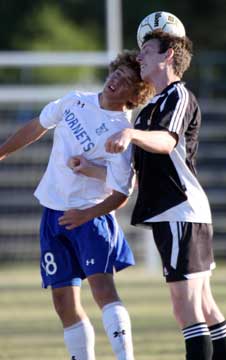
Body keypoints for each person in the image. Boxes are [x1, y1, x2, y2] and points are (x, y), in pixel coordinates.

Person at [0, 50, 153, 360]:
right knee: (62, 301)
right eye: (116, 73)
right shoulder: (74, 100)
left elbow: (122, 193)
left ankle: (126, 357)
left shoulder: (120, 131)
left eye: (125, 81)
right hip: (53, 214)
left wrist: (85, 214)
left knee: (102, 290)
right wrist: (1, 152)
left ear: (135, 95)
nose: (115, 80)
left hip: (90, 217)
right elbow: (37, 126)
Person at [103, 31, 226, 360]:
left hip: (178, 209)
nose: (140, 57)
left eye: (146, 51)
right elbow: (134, 170)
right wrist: (88, 168)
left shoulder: (178, 95)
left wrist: (131, 133)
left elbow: (168, 142)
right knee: (203, 306)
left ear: (168, 56)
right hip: (175, 212)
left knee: (185, 308)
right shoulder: (150, 108)